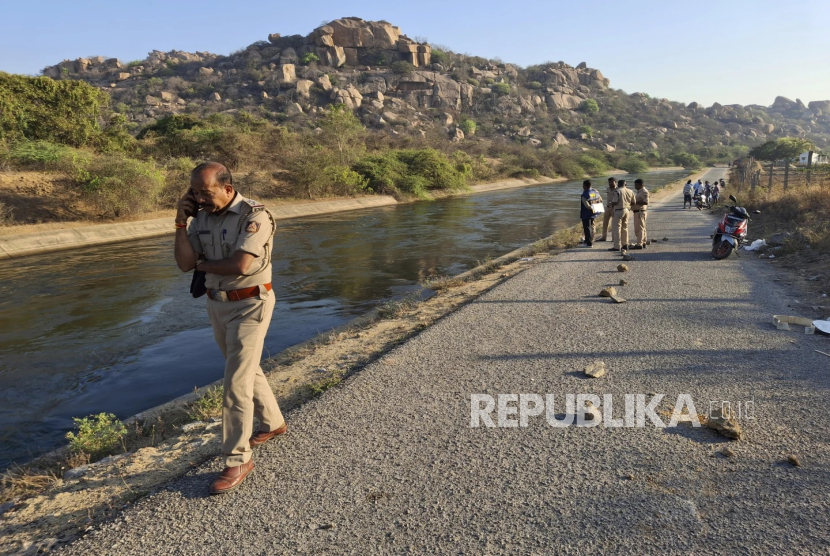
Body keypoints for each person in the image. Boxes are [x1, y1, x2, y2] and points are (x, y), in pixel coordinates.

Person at [174, 162, 286, 496]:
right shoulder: (201, 219)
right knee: (246, 370)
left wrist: (202, 264)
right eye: (194, 192)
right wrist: (181, 223)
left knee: (235, 380)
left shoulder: (255, 216)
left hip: (252, 303)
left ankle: (237, 458)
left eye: (204, 192)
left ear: (226, 187)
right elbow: (183, 263)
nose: (199, 198)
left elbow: (240, 265)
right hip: (217, 304)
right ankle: (273, 423)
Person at [608, 178, 635, 251]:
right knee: (625, 228)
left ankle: (617, 246)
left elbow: (615, 201)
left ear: (618, 184)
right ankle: (625, 244)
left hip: (618, 210)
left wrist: (610, 204)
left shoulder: (617, 191)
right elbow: (633, 202)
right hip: (627, 210)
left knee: (616, 228)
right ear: (625, 184)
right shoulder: (630, 191)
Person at [580, 179, 602, 247]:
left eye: (583, 185)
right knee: (592, 227)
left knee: (587, 228)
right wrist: (595, 209)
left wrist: (591, 208)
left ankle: (589, 243)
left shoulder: (584, 194)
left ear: (585, 186)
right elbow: (600, 200)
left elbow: (587, 206)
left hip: (586, 214)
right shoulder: (595, 192)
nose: (582, 186)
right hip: (594, 213)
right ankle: (589, 240)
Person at [631, 178, 649, 249]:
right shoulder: (639, 191)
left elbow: (645, 202)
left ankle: (639, 243)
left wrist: (635, 202)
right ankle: (643, 242)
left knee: (639, 228)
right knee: (642, 228)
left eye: (637, 185)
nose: (635, 186)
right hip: (638, 212)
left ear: (641, 185)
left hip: (640, 212)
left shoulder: (644, 192)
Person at [597, 177, 616, 241]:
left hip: (614, 208)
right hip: (607, 208)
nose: (610, 183)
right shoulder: (608, 189)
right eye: (609, 182)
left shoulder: (618, 190)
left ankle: (614, 238)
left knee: (614, 224)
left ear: (615, 182)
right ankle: (604, 237)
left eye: (612, 182)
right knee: (605, 223)